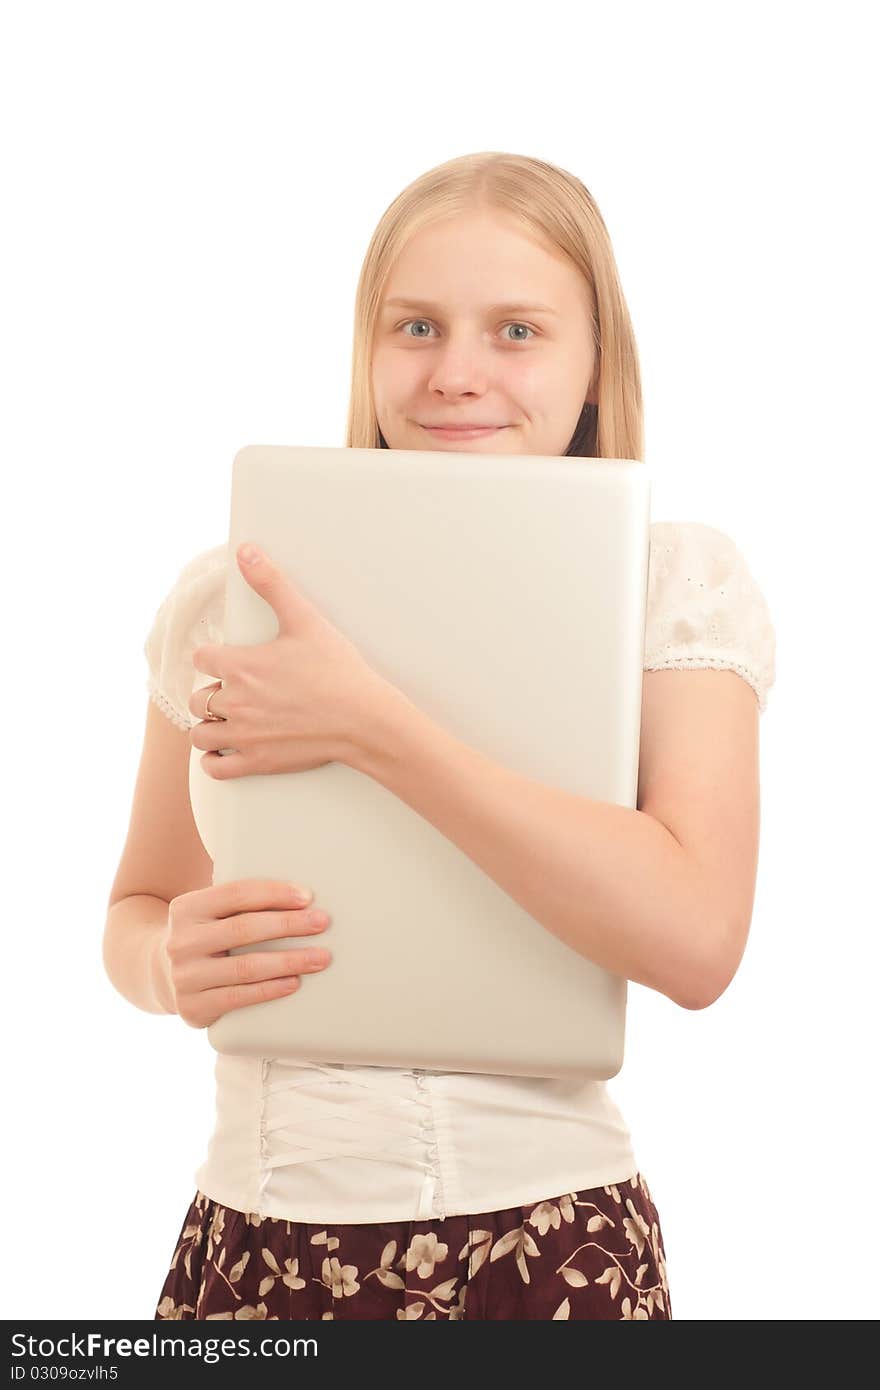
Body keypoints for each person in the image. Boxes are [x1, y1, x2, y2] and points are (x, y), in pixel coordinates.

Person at [103, 151, 776, 1321]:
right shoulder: (229, 596)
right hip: (246, 1250)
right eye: (415, 325)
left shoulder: (670, 584)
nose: (456, 373)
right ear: (367, 351)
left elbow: (696, 940)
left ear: (590, 368)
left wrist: (371, 726)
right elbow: (139, 905)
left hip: (537, 1249)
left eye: (515, 330)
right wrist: (165, 965)